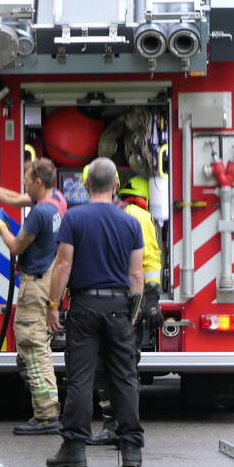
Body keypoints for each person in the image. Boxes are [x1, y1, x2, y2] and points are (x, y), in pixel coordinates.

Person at [44, 157, 145, 467]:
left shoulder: (74, 219)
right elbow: (137, 275)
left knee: (80, 378)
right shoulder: (131, 222)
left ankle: (74, 449)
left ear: (86, 185)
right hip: (118, 307)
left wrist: (52, 304)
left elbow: (63, 265)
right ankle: (131, 450)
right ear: (116, 185)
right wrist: (133, 312)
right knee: (124, 377)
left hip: (84, 306)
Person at [0, 158, 66, 435]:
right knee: (39, 347)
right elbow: (16, 198)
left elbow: (15, 245)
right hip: (46, 279)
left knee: (32, 345)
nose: (23, 183)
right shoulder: (56, 199)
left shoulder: (39, 215)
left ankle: (47, 416)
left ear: (38, 182)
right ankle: (47, 411)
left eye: (27, 179)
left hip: (35, 285)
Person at [88, 175, 163, 446]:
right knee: (123, 367)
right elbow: (151, 261)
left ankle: (114, 425)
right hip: (128, 304)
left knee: (107, 368)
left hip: (111, 303)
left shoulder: (117, 215)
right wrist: (150, 299)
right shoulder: (138, 217)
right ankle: (120, 427)